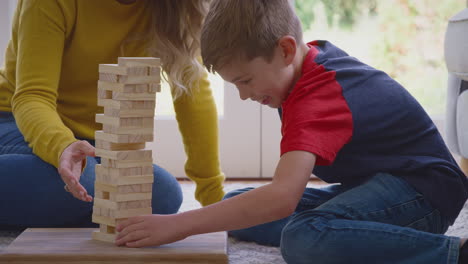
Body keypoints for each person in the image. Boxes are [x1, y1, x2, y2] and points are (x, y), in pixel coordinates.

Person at [115, 0, 468, 263]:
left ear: (285, 50)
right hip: (379, 184)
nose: (244, 95)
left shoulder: (319, 98)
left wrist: (180, 225)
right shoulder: (307, 63)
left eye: (246, 80)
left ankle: (452, 253)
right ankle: (352, 232)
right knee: (233, 205)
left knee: (302, 238)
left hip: (426, 195)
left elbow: (283, 196)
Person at [0, 0, 225, 229]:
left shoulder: (174, 7)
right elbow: (32, 95)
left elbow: (193, 96)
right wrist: (62, 146)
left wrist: (214, 198)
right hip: (15, 123)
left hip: (91, 143)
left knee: (162, 194)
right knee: (86, 182)